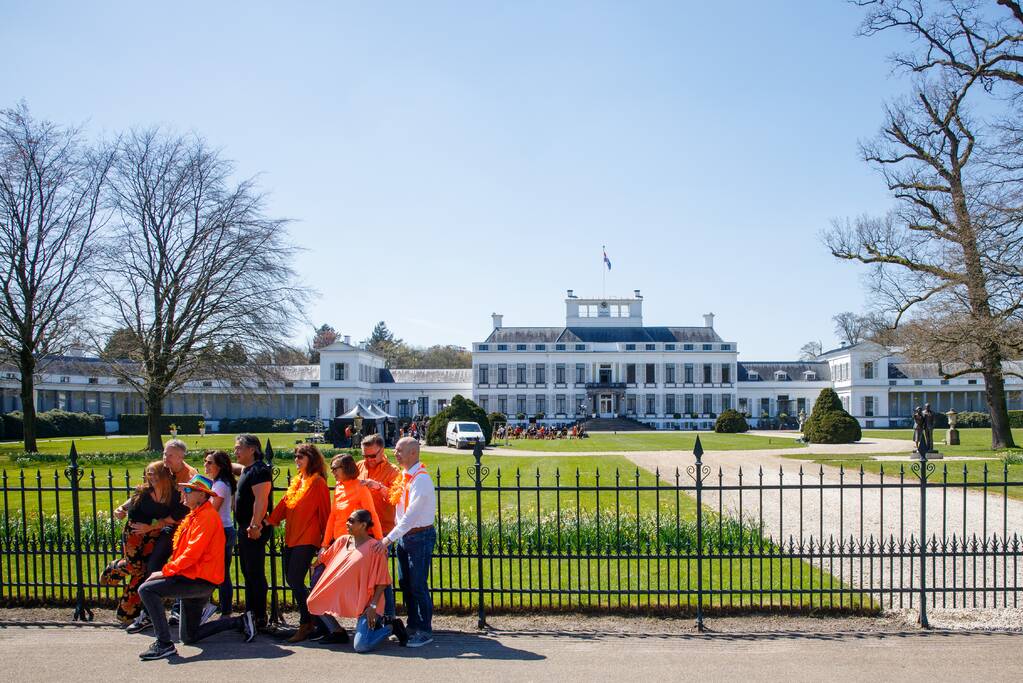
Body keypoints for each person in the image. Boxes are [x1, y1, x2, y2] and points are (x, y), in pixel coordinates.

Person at [136, 474, 256, 661]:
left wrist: (165, 571)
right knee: (189, 637)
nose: (183, 492)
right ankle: (240, 622)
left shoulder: (206, 517)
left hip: (198, 579)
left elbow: (193, 553)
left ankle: (164, 644)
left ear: (202, 496)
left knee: (146, 590)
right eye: (184, 489)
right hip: (192, 577)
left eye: (189, 490)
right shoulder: (196, 516)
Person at [306, 509, 408, 651]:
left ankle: (391, 627)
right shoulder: (342, 541)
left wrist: (372, 606)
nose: (347, 523)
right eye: (348, 520)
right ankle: (338, 632)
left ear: (363, 525)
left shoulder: (375, 548)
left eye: (352, 521)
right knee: (314, 601)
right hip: (348, 597)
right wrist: (310, 564)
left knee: (361, 646)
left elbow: (383, 581)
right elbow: (324, 558)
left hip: (367, 605)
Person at [126, 439, 197, 634]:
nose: (166, 458)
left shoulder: (190, 476)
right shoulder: (165, 470)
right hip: (168, 527)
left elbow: (180, 512)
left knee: (180, 567)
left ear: (181, 457)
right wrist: (125, 507)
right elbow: (148, 489)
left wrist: (151, 527)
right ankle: (150, 613)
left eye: (171, 455)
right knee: (154, 565)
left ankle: (178, 609)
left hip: (183, 528)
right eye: (165, 453)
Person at [266, 444, 331, 642]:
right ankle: (315, 619)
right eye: (295, 456)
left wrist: (326, 542)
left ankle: (306, 622)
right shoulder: (297, 481)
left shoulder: (318, 482)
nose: (296, 460)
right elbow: (284, 505)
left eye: (300, 457)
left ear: (311, 459)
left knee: (295, 579)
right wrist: (267, 521)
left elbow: (325, 513)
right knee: (291, 579)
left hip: (308, 537)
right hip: (292, 537)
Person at [374, 436, 436, 648]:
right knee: (406, 584)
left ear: (413, 453)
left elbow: (410, 516)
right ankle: (413, 624)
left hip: (419, 536)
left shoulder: (421, 479)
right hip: (406, 537)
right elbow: (397, 499)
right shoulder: (406, 476)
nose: (395, 453)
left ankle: (425, 630)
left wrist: (387, 539)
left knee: (418, 585)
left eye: (399, 450)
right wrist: (379, 487)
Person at [103, 461, 181, 625]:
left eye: (154, 474)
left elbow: (172, 519)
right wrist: (121, 509)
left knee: (143, 571)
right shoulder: (144, 491)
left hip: (153, 533)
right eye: (149, 473)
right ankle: (113, 568)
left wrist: (151, 527)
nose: (151, 477)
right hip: (135, 532)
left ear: (163, 475)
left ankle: (126, 613)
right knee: (134, 567)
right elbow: (131, 502)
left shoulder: (173, 495)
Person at [356, 433, 400, 618]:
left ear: (382, 451)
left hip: (383, 530)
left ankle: (388, 616)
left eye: (372, 456)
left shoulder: (393, 471)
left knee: (381, 576)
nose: (369, 460)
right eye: (365, 455)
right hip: (362, 531)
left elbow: (396, 498)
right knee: (365, 576)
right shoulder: (359, 467)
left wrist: (379, 487)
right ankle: (367, 614)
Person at [234, 433, 273, 630]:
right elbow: (234, 467)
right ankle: (250, 612)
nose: (236, 451)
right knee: (248, 572)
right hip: (246, 528)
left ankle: (258, 615)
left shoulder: (259, 471)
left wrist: (255, 524)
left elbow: (261, 499)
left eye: (239, 447)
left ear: (252, 449)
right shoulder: (248, 469)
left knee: (255, 573)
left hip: (253, 529)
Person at [203, 450, 237, 617]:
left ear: (220, 466)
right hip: (221, 530)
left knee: (221, 573)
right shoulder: (218, 483)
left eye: (210, 462)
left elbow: (213, 510)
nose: (206, 465)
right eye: (205, 461)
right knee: (218, 572)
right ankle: (222, 609)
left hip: (222, 531)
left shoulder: (221, 485)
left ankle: (225, 611)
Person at [323, 454, 382, 547]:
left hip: (355, 544)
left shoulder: (361, 488)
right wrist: (325, 544)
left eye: (335, 469)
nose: (332, 472)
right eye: (331, 469)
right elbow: (333, 516)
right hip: (338, 542)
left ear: (346, 468)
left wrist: (379, 540)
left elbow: (372, 515)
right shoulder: (338, 487)